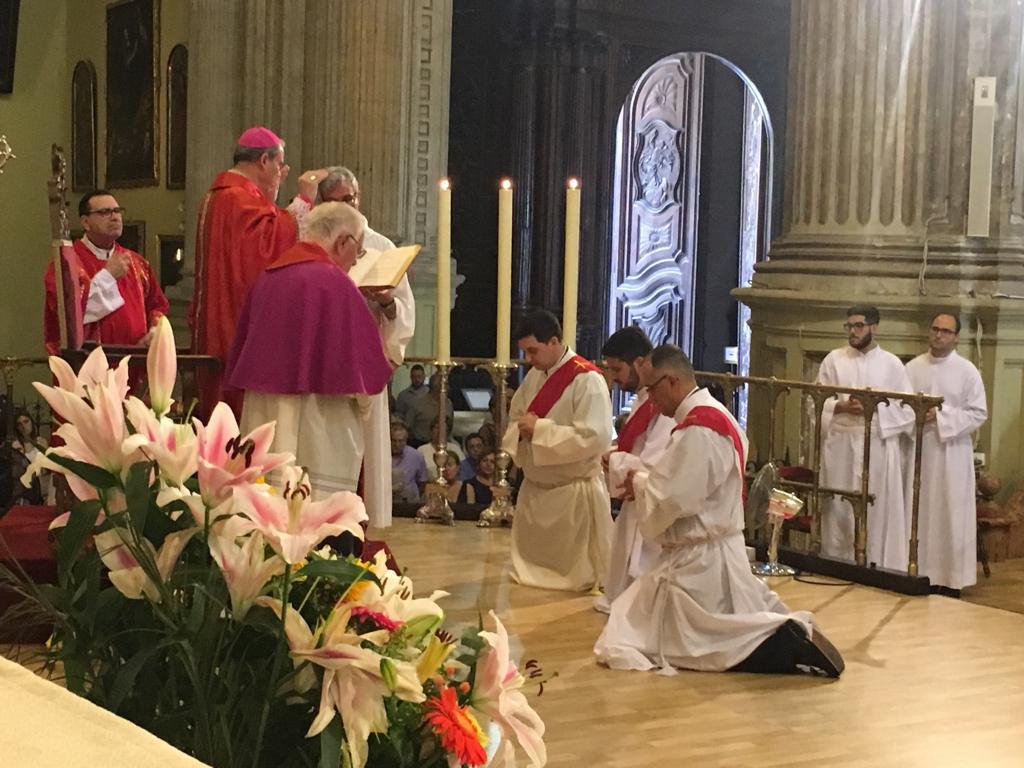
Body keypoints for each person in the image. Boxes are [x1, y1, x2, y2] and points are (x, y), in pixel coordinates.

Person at [594, 345, 844, 677]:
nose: (651, 398)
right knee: (648, 624)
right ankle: (784, 637)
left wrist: (636, 478)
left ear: (671, 381)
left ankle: (784, 645)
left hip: (698, 558)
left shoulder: (699, 428)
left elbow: (674, 498)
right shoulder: (717, 415)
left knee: (689, 642)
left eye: (652, 388)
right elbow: (687, 482)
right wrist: (645, 479)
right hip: (713, 548)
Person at [225, 203, 391, 499]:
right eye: (359, 250)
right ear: (343, 242)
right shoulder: (338, 286)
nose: (356, 261)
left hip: (264, 419)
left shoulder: (267, 280)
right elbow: (366, 383)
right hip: (321, 429)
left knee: (264, 510)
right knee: (315, 523)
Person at [191, 126, 326, 416]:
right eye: (279, 165)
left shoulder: (225, 195)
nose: (281, 173)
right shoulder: (236, 198)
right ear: (263, 160)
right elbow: (265, 252)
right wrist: (304, 199)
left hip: (220, 319)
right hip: (233, 323)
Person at [318, 166, 416, 528]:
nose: (350, 206)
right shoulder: (313, 243)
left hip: (366, 366)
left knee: (367, 461)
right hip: (326, 368)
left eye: (352, 198)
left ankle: (365, 528)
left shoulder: (380, 247)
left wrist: (388, 302)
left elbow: (404, 313)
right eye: (340, 201)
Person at [503, 310, 613, 592]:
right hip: (538, 486)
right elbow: (517, 416)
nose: (528, 360)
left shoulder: (588, 380)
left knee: (575, 576)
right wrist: (525, 429)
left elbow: (594, 437)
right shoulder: (535, 377)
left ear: (553, 341)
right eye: (525, 352)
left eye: (533, 351)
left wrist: (539, 430)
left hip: (572, 489)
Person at [816, 306, 914, 570]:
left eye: (859, 326)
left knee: (877, 510)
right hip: (840, 445)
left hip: (879, 445)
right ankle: (837, 564)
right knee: (839, 508)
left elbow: (907, 410)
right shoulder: (833, 360)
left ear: (875, 327)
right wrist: (840, 406)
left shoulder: (892, 365)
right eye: (849, 326)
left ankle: (876, 564)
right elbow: (815, 403)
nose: (853, 331)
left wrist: (874, 411)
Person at [904, 312, 987, 595]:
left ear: (956, 337)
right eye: (935, 329)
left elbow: (978, 412)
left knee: (949, 513)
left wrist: (939, 417)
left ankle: (950, 580)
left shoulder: (967, 371)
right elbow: (897, 406)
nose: (939, 335)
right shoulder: (912, 368)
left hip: (952, 455)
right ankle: (919, 572)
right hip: (920, 452)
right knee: (920, 511)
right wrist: (915, 415)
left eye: (945, 331)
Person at [595, 326, 674, 614]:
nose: (613, 379)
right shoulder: (644, 400)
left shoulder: (661, 405)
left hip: (650, 498)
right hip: (636, 496)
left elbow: (657, 463)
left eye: (617, 369)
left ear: (640, 362)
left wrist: (616, 461)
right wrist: (616, 457)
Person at [44, 190, 169, 354]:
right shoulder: (67, 264)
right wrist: (108, 276)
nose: (115, 217)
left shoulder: (137, 263)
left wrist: (154, 333)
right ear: (85, 222)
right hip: (88, 367)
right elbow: (69, 317)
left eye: (117, 211)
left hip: (134, 363)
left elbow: (157, 306)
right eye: (105, 212)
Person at [405, 372, 454, 447]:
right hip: (421, 443)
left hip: (444, 444)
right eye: (445, 384)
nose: (448, 387)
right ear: (437, 387)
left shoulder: (448, 403)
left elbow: (450, 424)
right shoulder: (418, 403)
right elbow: (408, 426)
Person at [9, 411, 49, 504]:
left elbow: (46, 470)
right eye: (19, 424)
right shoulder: (16, 445)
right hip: (22, 490)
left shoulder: (41, 442)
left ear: (31, 422)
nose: (23, 426)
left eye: (26, 421)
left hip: (40, 487)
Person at [391, 422, 428, 504]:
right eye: (394, 441)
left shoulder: (416, 456)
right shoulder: (381, 456)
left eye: (401, 441)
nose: (397, 444)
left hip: (410, 502)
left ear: (406, 440)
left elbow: (422, 482)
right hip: (387, 502)